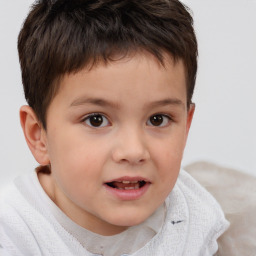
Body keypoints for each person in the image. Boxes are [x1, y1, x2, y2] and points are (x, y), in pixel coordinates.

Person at [0, 0, 229, 255]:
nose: (133, 151)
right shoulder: (12, 233)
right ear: (38, 136)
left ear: (186, 126)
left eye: (158, 119)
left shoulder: (193, 217)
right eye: (96, 120)